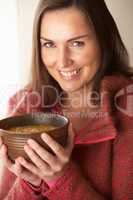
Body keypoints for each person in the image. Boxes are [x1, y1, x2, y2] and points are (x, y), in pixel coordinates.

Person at [0, 0, 133, 199]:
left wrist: (60, 178)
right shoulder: (23, 107)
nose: (62, 61)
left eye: (76, 43)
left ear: (103, 41)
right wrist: (31, 182)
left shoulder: (127, 111)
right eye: (49, 44)